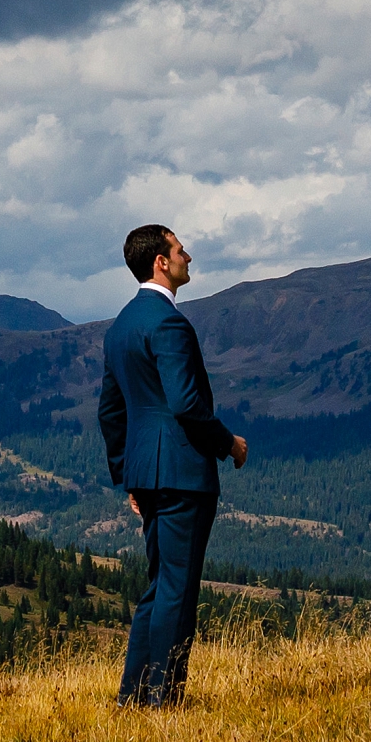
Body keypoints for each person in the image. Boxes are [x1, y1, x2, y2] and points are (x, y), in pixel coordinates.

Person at [97, 224, 247, 707]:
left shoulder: (120, 326)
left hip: (147, 472)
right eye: (181, 250)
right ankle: (163, 701)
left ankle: (133, 697)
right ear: (161, 261)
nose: (189, 257)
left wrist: (128, 478)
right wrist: (227, 444)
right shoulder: (169, 324)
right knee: (178, 591)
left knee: (159, 587)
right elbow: (185, 405)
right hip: (182, 472)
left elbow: (111, 412)